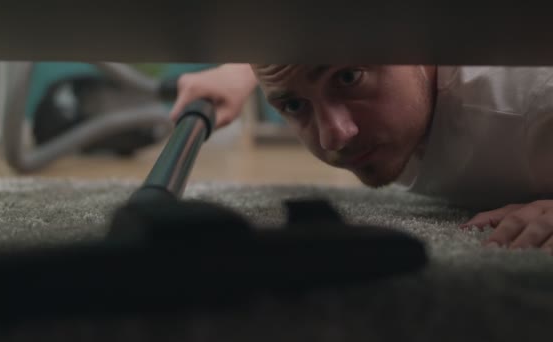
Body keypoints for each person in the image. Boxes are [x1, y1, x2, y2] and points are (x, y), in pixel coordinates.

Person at [169, 63, 553, 254]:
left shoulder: (533, 101)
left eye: (349, 77)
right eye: (294, 104)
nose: (333, 135)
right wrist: (244, 70)